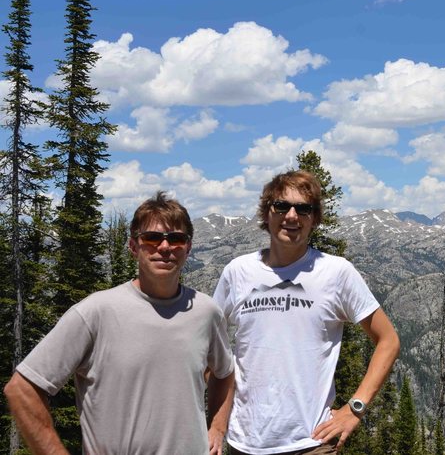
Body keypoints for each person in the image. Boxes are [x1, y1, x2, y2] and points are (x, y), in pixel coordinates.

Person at [4, 191, 235, 455]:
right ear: (133, 246)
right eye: (151, 238)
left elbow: (225, 373)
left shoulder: (206, 311)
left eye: (176, 238)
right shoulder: (95, 311)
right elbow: (21, 389)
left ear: (188, 247)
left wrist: (217, 428)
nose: (164, 247)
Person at [213, 170, 400, 454]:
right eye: (281, 206)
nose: (291, 216)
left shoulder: (336, 272)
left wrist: (355, 408)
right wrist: (217, 424)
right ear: (267, 214)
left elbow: (388, 341)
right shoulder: (237, 272)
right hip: (244, 443)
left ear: (314, 218)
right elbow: (210, 346)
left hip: (312, 443)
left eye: (303, 208)